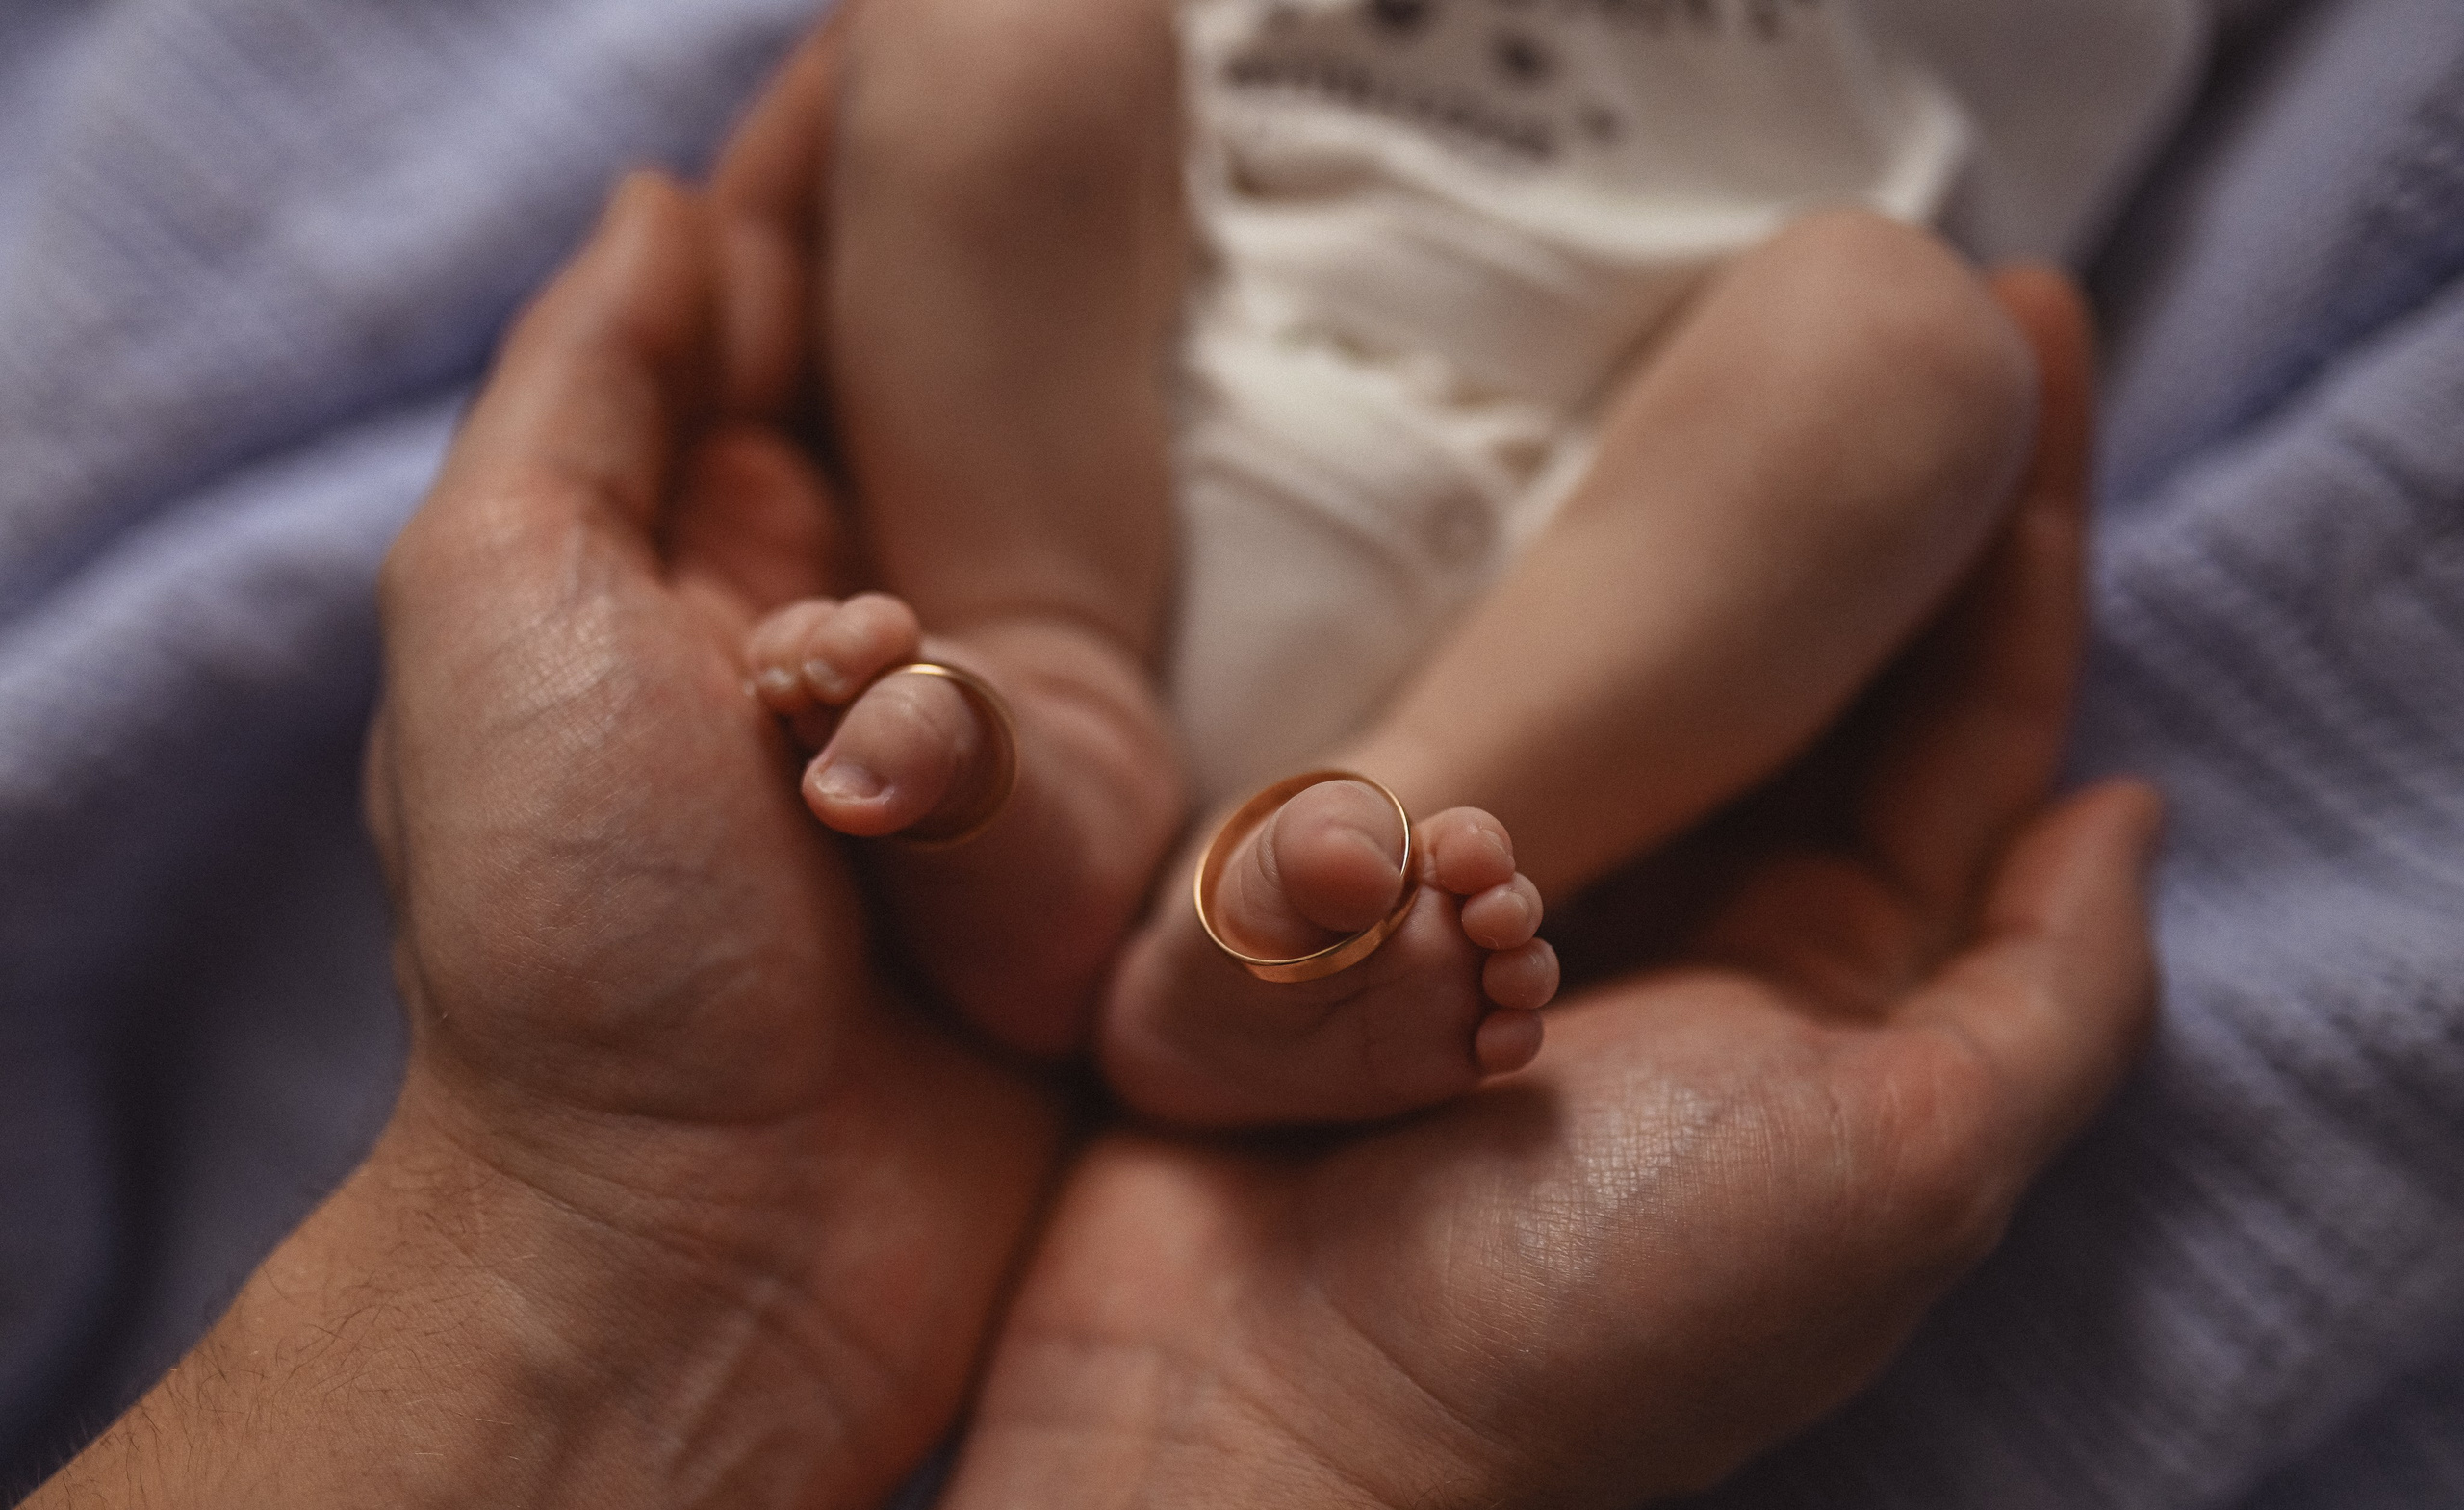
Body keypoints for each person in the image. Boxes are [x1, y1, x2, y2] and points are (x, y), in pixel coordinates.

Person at [0, 22, 2160, 1510]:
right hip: (1134, 406)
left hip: (1570, 500)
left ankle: (1324, 864)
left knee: (1908, 355)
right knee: (992, 39)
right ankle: (1079, 752)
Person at [735, 0, 2114, 1131]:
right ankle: (1045, 683)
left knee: (1914, 346)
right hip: (1175, 285)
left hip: (1615, 460)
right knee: (1002, 31)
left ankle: (1356, 867)